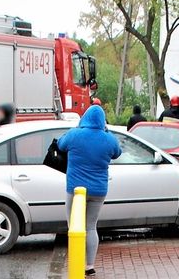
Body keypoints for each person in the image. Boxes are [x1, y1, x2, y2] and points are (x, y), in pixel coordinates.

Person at [58, 105, 122, 277]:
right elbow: (117, 152)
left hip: (75, 190)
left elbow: (60, 145)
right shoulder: (109, 139)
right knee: (90, 227)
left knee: (73, 227)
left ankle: (76, 263)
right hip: (99, 190)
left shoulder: (74, 135)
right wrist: (106, 131)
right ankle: (90, 266)